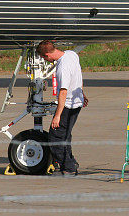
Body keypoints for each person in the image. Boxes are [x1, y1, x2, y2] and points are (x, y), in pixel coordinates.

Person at [37, 40, 88, 176]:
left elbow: (63, 91)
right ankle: (71, 162)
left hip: (68, 106)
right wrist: (81, 93)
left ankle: (69, 168)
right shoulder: (72, 54)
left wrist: (58, 115)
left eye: (44, 58)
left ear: (47, 55)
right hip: (77, 103)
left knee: (54, 138)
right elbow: (78, 75)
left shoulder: (62, 68)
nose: (45, 60)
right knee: (65, 136)